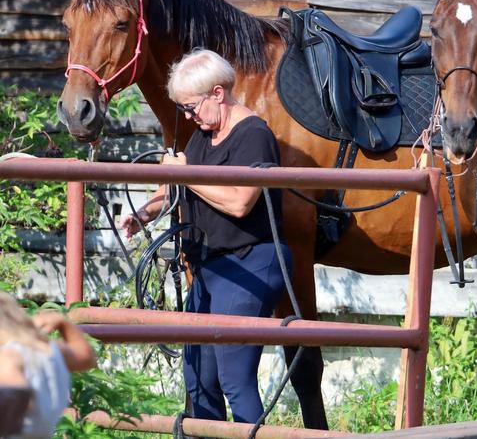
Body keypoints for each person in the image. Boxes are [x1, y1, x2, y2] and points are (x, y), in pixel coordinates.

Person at [120, 49, 292, 424]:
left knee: (234, 378)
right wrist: (143, 213)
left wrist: (185, 176)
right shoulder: (202, 136)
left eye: (191, 106)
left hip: (251, 262)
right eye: (182, 109)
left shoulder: (254, 135)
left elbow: (239, 203)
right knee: (198, 377)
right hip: (210, 266)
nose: (187, 116)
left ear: (218, 93)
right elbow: (178, 186)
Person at [0, 290, 96, 438]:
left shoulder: (7, 357)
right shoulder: (49, 349)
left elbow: (15, 402)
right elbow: (86, 357)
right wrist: (63, 324)